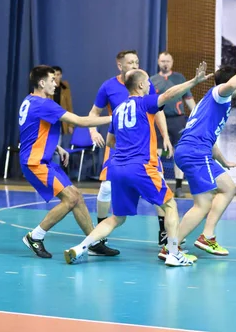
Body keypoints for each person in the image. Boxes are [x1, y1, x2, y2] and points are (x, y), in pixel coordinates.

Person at [64, 62, 212, 266]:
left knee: (117, 217)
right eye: (149, 82)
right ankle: (173, 253)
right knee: (170, 205)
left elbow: (110, 142)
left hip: (117, 168)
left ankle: (81, 247)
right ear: (141, 85)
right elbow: (169, 95)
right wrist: (194, 81)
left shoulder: (117, 110)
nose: (151, 85)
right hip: (140, 167)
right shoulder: (144, 103)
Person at [157, 46, 236, 261]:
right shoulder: (219, 94)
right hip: (195, 153)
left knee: (228, 188)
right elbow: (231, 84)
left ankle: (205, 236)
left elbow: (210, 139)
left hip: (197, 151)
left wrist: (224, 160)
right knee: (202, 205)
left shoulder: (210, 104)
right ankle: (173, 247)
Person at [20, 65, 120, 259]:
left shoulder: (29, 101)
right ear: (42, 83)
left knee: (77, 196)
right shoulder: (44, 104)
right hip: (36, 162)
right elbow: (80, 122)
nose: (56, 85)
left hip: (42, 159)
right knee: (71, 198)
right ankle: (35, 236)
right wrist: (114, 116)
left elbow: (32, 132)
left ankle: (94, 242)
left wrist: (56, 147)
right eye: (52, 80)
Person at [88, 50, 175, 247]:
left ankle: (164, 232)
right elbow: (93, 113)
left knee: (160, 186)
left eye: (137, 62)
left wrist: (165, 136)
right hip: (118, 146)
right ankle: (99, 237)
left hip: (144, 146)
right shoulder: (108, 87)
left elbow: (158, 110)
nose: (135, 65)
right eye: (130, 62)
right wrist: (93, 131)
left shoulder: (145, 85)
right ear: (120, 66)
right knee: (106, 189)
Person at [151, 51, 197, 198]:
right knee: (156, 152)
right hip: (158, 120)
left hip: (178, 120)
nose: (165, 63)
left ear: (172, 63)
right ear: (158, 62)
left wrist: (197, 116)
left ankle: (178, 187)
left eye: (168, 61)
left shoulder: (179, 78)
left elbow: (189, 99)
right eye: (162, 61)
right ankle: (157, 185)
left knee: (179, 153)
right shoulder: (152, 80)